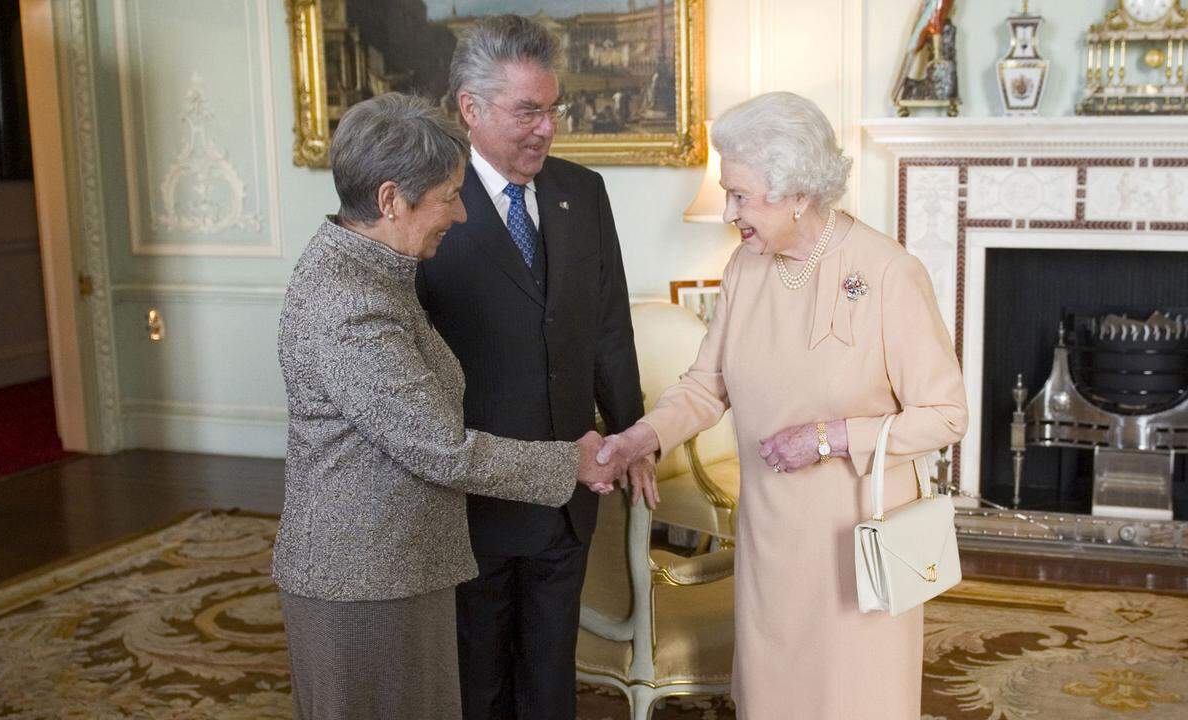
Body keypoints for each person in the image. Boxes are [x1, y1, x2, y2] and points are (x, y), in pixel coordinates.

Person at [598, 91, 969, 719]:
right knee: (774, 698)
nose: (728, 213)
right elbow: (703, 385)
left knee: (853, 698)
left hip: (859, 537)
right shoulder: (747, 268)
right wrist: (642, 437)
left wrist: (828, 438)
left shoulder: (886, 273)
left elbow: (945, 414)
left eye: (740, 195)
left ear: (797, 192)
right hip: (772, 533)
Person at [272, 92, 622, 720]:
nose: (461, 215)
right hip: (364, 578)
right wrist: (571, 462)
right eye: (447, 197)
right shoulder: (352, 302)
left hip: (401, 567)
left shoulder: (377, 271)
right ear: (389, 201)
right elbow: (441, 448)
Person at [415, 15, 651, 720]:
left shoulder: (584, 192)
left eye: (553, 109)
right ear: (470, 109)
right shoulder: (426, 204)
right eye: (528, 111)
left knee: (550, 681)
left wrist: (634, 435)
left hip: (569, 490)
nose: (546, 129)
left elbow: (610, 328)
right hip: (472, 499)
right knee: (477, 680)